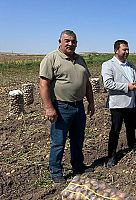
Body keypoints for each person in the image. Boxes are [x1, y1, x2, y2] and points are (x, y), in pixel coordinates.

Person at [39, 30, 95, 183]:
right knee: (58, 141)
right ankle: (56, 171)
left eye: (73, 41)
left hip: (79, 107)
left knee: (78, 139)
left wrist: (91, 102)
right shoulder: (51, 58)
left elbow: (87, 83)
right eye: (67, 41)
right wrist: (49, 108)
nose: (71, 44)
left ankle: (78, 166)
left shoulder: (80, 59)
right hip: (61, 107)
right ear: (60, 41)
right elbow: (43, 85)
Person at [101, 40, 136, 167]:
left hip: (131, 102)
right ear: (116, 50)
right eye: (124, 50)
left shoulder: (131, 65)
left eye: (128, 49)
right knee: (115, 130)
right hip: (117, 103)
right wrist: (127, 87)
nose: (127, 52)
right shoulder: (108, 65)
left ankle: (132, 147)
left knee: (131, 127)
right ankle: (111, 156)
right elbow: (108, 83)